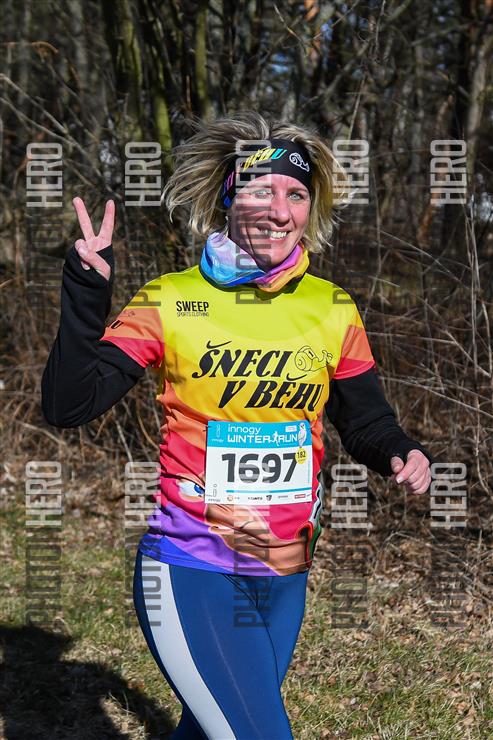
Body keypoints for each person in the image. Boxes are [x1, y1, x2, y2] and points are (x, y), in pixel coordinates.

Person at [42, 111, 435, 739]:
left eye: (296, 195)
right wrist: (86, 291)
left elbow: (364, 419)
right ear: (227, 198)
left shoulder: (332, 308)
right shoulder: (171, 300)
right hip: (191, 565)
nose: (280, 211)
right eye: (260, 191)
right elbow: (70, 404)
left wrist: (400, 450)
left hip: (284, 572)